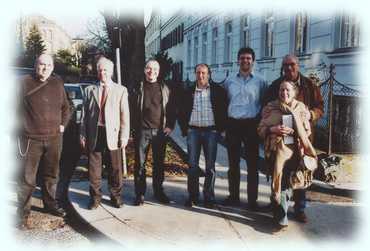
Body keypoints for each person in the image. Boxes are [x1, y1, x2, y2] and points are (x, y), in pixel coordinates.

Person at [264, 54, 324, 223]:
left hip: (301, 139)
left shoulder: (309, 85)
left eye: (292, 65)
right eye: (285, 65)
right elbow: (266, 107)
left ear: (298, 65)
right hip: (280, 140)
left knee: (300, 172)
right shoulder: (276, 85)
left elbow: (320, 106)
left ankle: (299, 209)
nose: (289, 68)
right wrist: (269, 121)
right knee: (279, 171)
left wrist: (311, 114)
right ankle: (277, 205)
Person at [17, 54, 71, 229]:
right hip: (30, 140)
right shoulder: (23, 82)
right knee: (27, 179)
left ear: (53, 67)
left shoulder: (57, 83)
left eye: (48, 65)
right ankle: (22, 214)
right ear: (36, 65)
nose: (45, 68)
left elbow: (66, 107)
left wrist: (63, 124)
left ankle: (50, 205)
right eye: (42, 64)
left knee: (51, 175)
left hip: (54, 139)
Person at [258, 80, 317, 228]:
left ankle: (284, 211)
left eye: (287, 90)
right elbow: (260, 129)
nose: (284, 93)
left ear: (294, 92)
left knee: (293, 182)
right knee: (282, 182)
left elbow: (307, 131)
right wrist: (273, 129)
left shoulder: (301, 108)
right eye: (281, 90)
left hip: (297, 152)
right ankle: (281, 216)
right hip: (277, 152)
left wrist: (295, 130)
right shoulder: (271, 107)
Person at [80, 57, 130, 209]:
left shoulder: (121, 90)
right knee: (94, 170)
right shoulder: (89, 90)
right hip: (95, 134)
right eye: (100, 70)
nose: (103, 73)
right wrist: (82, 134)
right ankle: (95, 198)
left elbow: (125, 115)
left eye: (105, 70)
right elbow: (84, 116)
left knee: (115, 169)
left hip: (113, 136)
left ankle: (116, 197)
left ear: (111, 72)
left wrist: (124, 135)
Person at [222, 47, 268, 210]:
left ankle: (252, 201)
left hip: (251, 125)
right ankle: (233, 196)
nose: (245, 61)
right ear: (238, 61)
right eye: (242, 58)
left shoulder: (261, 81)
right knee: (233, 164)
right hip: (233, 125)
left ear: (253, 61)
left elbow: (264, 102)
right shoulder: (229, 81)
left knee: (252, 165)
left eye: (248, 58)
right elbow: (225, 101)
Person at [178, 64, 228, 208]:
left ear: (209, 74)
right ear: (195, 74)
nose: (201, 76)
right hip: (193, 131)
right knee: (192, 165)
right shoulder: (188, 91)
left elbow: (223, 110)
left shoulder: (217, 91)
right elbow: (181, 111)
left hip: (211, 132)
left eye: (204, 73)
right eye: (198, 73)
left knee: (210, 167)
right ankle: (193, 196)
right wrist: (184, 129)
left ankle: (209, 197)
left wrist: (222, 129)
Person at [131, 59, 176, 206]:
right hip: (142, 131)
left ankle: (158, 191)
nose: (152, 72)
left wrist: (170, 125)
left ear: (158, 71)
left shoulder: (164, 88)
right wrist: (133, 128)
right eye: (149, 69)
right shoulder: (139, 87)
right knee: (140, 164)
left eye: (155, 69)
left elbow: (171, 108)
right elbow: (131, 108)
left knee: (159, 164)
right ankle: (140, 194)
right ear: (145, 70)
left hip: (160, 132)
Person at [56, 91, 82, 208]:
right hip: (66, 145)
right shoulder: (68, 106)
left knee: (63, 173)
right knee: (64, 173)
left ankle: (60, 197)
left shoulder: (64, 106)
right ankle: (60, 197)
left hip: (67, 144)